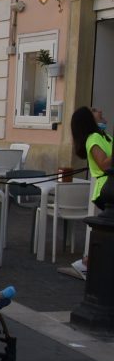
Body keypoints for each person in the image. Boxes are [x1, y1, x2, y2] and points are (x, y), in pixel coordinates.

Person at [69, 106, 113, 278]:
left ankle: (88, 262)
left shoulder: (105, 136)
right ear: (89, 119)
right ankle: (87, 263)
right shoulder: (92, 138)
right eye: (94, 111)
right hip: (106, 189)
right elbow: (104, 164)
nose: (100, 111)